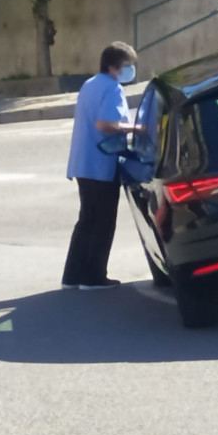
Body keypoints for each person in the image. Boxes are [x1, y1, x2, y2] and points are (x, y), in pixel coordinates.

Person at [61, 41, 141, 290]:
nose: (130, 71)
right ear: (113, 66)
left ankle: (72, 276)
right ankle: (93, 277)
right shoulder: (112, 88)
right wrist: (139, 128)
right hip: (101, 164)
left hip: (83, 163)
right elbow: (105, 125)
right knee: (103, 221)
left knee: (87, 219)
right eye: (127, 66)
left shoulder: (90, 84)